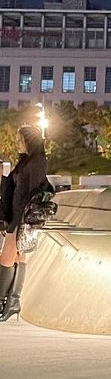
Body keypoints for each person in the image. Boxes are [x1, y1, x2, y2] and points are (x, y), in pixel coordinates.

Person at [0, 124, 51, 322]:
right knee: (18, 256)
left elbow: (33, 192)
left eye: (20, 139)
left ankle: (5, 300)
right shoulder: (25, 161)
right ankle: (13, 302)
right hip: (16, 214)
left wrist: (19, 220)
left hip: (22, 217)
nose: (17, 143)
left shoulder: (37, 161)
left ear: (30, 140)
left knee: (6, 257)